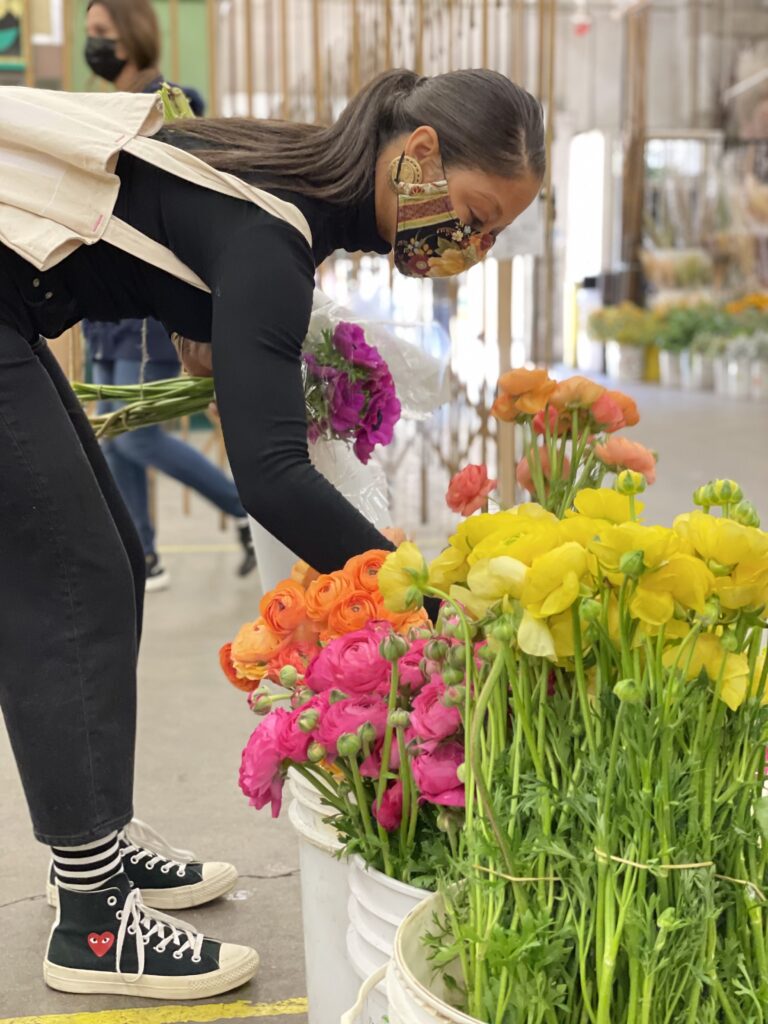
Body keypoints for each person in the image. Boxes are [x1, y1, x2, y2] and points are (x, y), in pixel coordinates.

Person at [0, 68, 544, 1000]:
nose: (477, 248)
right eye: (476, 214)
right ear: (417, 157)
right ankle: (92, 924)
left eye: (495, 234)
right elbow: (275, 480)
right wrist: (422, 593)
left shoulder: (287, 184)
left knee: (115, 563)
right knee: (72, 578)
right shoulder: (275, 237)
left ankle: (94, 844)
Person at [83, 0, 256, 590]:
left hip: (147, 305)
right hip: (100, 304)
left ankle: (242, 507)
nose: (95, 46)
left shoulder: (172, 106)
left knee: (134, 431)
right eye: (89, 35)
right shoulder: (101, 107)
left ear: (131, 36)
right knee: (113, 437)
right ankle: (145, 554)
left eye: (102, 33)